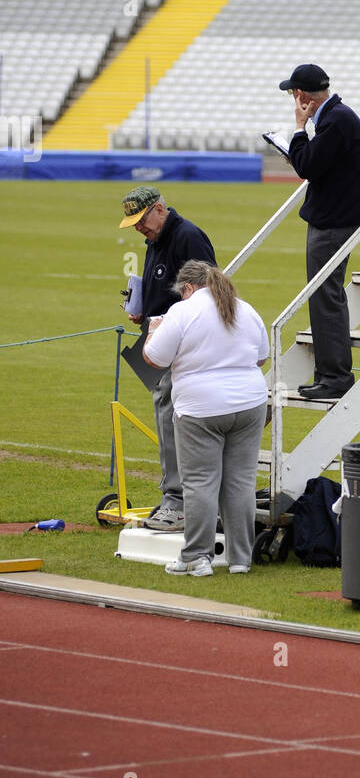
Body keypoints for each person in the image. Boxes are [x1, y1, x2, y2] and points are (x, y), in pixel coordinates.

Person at [143, 261, 269, 578]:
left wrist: (153, 332)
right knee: (241, 482)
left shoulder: (182, 313)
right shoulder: (245, 308)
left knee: (200, 483)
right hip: (250, 402)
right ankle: (241, 558)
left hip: (201, 408)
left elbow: (154, 358)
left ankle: (197, 556)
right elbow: (261, 356)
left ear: (187, 288)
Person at [118, 185, 216, 532]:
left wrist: (170, 324)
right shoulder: (156, 240)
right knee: (165, 414)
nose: (139, 228)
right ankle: (177, 496)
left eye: (142, 220)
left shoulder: (188, 236)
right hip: (159, 335)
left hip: (180, 343)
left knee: (174, 416)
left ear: (160, 208)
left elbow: (208, 293)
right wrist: (144, 308)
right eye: (134, 223)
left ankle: (179, 500)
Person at [279, 64, 360, 399]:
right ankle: (330, 373)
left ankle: (335, 376)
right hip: (337, 216)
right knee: (326, 297)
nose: (294, 99)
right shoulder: (339, 117)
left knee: (325, 298)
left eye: (294, 94)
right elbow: (317, 164)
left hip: (333, 221)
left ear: (302, 96)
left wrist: (299, 128)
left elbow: (307, 166)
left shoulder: (334, 121)